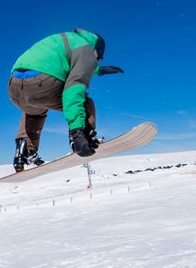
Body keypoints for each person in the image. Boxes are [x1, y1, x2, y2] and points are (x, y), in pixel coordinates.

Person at [8, 28, 123, 172]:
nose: (97, 61)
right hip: (42, 82)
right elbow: (73, 90)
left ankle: (25, 148)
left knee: (35, 110)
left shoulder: (68, 40)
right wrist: (77, 131)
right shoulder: (86, 49)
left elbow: (79, 62)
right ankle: (83, 138)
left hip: (14, 87)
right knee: (85, 102)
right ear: (95, 51)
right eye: (98, 59)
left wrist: (101, 70)